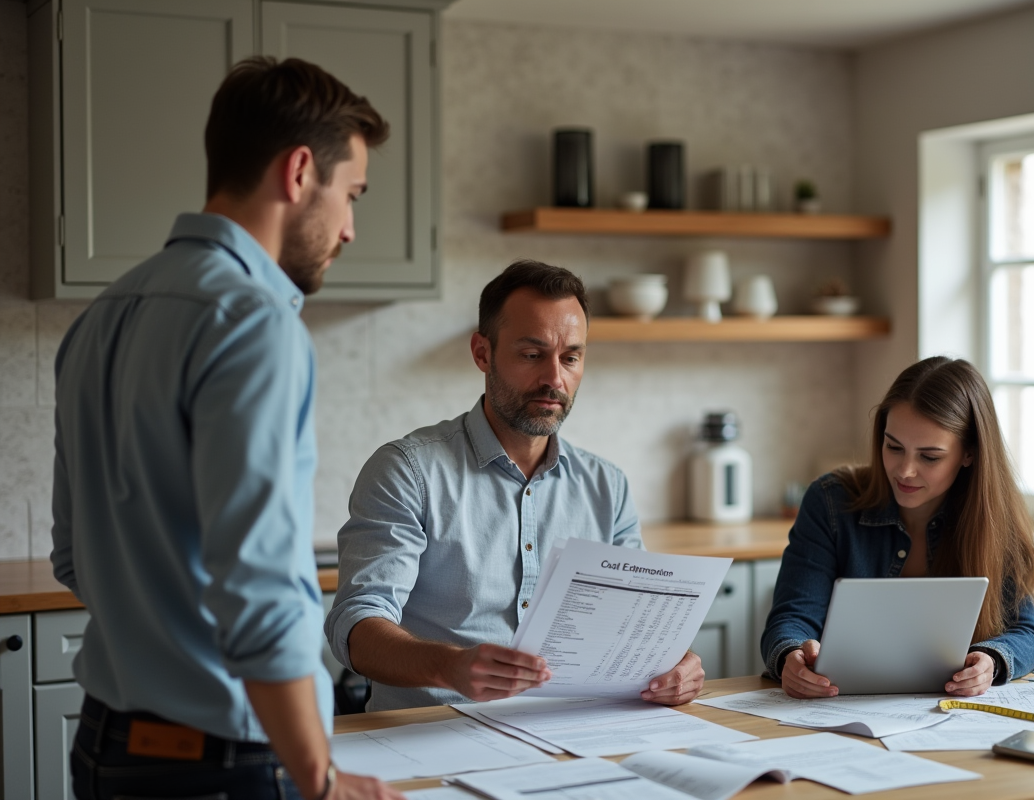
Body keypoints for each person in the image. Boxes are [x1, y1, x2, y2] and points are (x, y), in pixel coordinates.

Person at [51, 57, 402, 800]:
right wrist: (322, 779)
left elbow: (75, 556)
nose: (349, 229)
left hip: (104, 746)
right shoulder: (254, 323)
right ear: (300, 171)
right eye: (351, 195)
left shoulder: (100, 316)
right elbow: (261, 585)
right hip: (222, 765)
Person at [325, 260, 705, 710]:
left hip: (570, 736)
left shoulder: (608, 487)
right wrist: (449, 666)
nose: (554, 379)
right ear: (482, 353)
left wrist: (676, 665)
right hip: (433, 737)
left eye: (570, 358)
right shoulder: (407, 471)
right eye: (532, 355)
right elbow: (356, 625)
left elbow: (633, 628)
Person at [761, 356, 1034, 699]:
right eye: (893, 446)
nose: (905, 470)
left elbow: (1027, 633)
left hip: (946, 714)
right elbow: (793, 616)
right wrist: (790, 656)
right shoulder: (830, 502)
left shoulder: (994, 515)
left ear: (969, 453)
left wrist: (991, 661)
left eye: (929, 457)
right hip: (835, 707)